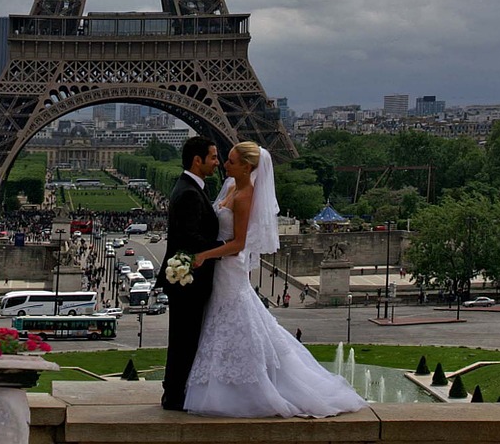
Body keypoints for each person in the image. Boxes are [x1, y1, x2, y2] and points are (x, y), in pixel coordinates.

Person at [183, 142, 366, 418]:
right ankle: (230, 386)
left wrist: (203, 255)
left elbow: (239, 243)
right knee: (229, 324)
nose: (224, 164)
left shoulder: (246, 196)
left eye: (231, 161)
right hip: (224, 271)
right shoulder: (233, 188)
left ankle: (243, 387)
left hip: (230, 268)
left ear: (247, 167)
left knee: (233, 323)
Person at [157, 136, 220, 411]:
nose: (217, 163)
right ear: (198, 160)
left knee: (184, 338)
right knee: (185, 339)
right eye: (214, 157)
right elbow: (190, 239)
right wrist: (225, 248)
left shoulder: (190, 188)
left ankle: (175, 391)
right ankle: (174, 394)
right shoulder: (190, 193)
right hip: (189, 283)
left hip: (186, 280)